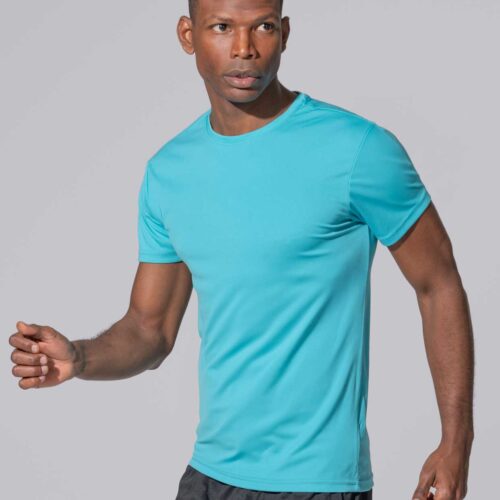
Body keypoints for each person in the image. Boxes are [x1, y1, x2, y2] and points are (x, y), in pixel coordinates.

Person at [9, 0, 475, 498]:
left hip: (316, 483)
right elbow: (149, 329)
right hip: (209, 478)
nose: (244, 48)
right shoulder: (170, 172)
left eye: (263, 27)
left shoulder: (357, 149)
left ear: (285, 33)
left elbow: (438, 283)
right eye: (222, 27)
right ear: (188, 35)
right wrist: (79, 358)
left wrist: (456, 442)